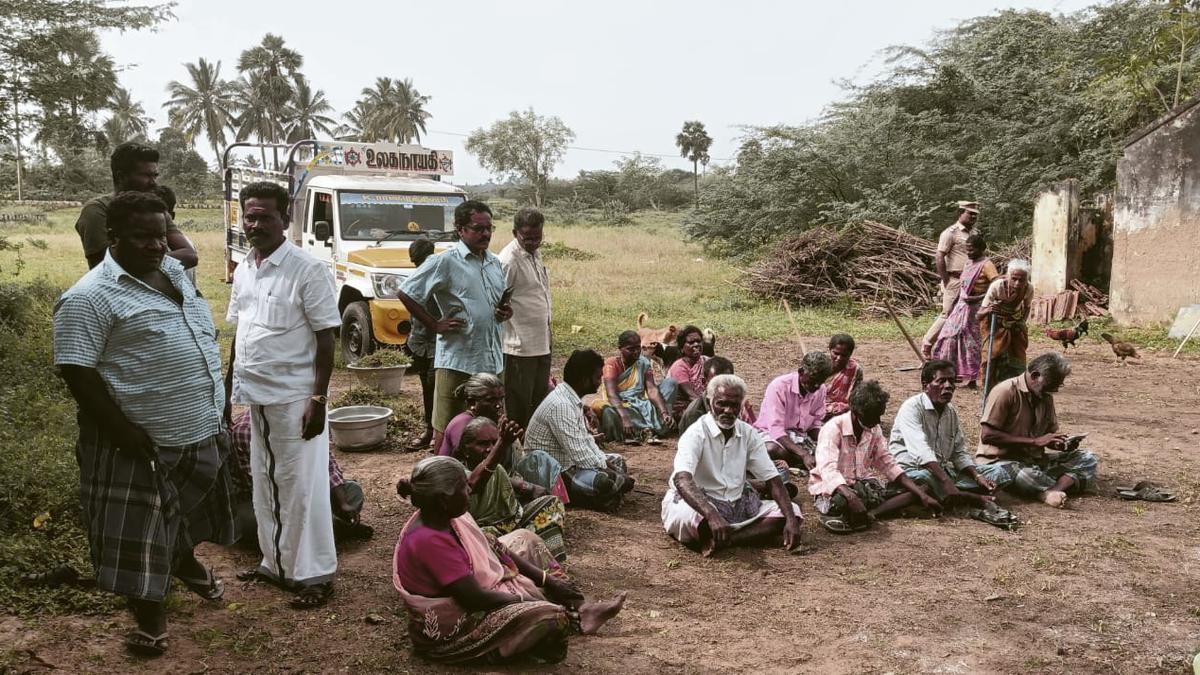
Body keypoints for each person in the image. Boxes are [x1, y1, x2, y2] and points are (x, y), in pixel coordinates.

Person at [53, 191, 236, 656]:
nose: (156, 245)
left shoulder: (173, 271)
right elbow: (77, 372)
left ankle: (187, 564)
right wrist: (122, 433)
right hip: (139, 440)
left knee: (185, 517)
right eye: (142, 236)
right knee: (140, 533)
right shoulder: (88, 298)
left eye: (161, 234)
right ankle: (152, 619)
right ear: (112, 237)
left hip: (200, 424)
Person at [223, 181, 342, 609]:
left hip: (296, 398)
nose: (255, 225)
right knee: (265, 481)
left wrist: (319, 400)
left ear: (285, 218)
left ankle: (314, 575)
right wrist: (227, 388)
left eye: (265, 217)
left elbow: (326, 339)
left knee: (301, 486)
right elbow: (243, 332)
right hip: (256, 394)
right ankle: (275, 564)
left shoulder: (307, 269)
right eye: (249, 216)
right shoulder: (244, 268)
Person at [393, 456, 626, 664]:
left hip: (478, 588)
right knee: (551, 617)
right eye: (463, 488)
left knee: (526, 539)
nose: (470, 491)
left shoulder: (447, 516)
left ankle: (582, 609)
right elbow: (475, 599)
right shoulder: (429, 540)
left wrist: (546, 579)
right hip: (457, 624)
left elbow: (494, 545)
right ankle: (518, 641)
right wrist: (523, 596)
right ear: (444, 499)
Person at [397, 200, 512, 442]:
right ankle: (442, 474)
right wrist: (433, 324)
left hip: (491, 359)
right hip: (458, 361)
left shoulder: (493, 263)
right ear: (460, 229)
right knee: (448, 426)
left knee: (489, 427)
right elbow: (406, 292)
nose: (486, 233)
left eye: (489, 228)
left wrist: (504, 312)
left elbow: (494, 303)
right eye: (478, 228)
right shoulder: (446, 261)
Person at [662, 374, 803, 557]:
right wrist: (712, 515)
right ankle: (729, 532)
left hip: (737, 503)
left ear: (741, 405)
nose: (728, 411)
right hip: (701, 503)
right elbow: (682, 480)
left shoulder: (748, 433)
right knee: (689, 517)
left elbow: (772, 479)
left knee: (793, 513)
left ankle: (727, 539)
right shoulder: (696, 433)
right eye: (722, 404)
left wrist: (791, 521)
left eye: (734, 405)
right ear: (709, 402)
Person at [889, 360, 1016, 521]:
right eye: (941, 381)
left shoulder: (950, 412)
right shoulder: (911, 408)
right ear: (925, 385)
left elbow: (959, 452)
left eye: (951, 381)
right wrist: (945, 480)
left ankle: (950, 494)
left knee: (999, 473)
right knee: (926, 482)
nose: (948, 386)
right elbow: (921, 452)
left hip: (942, 472)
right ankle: (969, 497)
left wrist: (977, 476)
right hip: (915, 470)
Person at [808, 380, 941, 533]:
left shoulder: (873, 428)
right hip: (837, 488)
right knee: (843, 502)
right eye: (873, 416)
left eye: (879, 416)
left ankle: (871, 514)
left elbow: (887, 462)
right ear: (857, 412)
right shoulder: (832, 429)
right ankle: (872, 512)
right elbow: (828, 470)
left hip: (863, 485)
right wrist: (851, 498)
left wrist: (920, 494)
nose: (878, 421)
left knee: (921, 487)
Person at [228, 409, 371, 544]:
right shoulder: (246, 431)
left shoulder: (307, 417)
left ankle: (322, 530)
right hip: (260, 501)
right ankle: (329, 529)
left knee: (353, 492)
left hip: (303, 490)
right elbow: (263, 489)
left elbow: (327, 462)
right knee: (250, 524)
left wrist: (342, 503)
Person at [978, 353, 1099, 508]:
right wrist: (1034, 441)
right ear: (1035, 376)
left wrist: (1060, 444)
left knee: (1088, 458)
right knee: (1022, 474)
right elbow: (988, 435)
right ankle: (1066, 483)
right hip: (1000, 462)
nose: (1055, 389)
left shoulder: (1045, 396)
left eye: (1059, 384)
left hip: (1033, 461)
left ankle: (1049, 491)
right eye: (1053, 383)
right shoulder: (1005, 391)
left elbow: (1047, 437)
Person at [526, 350, 636, 511]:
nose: (600, 382)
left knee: (618, 462)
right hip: (557, 472)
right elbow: (579, 454)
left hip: (571, 463)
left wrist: (612, 467)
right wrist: (612, 472)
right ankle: (593, 497)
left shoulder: (570, 399)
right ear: (585, 380)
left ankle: (603, 493)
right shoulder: (561, 405)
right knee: (605, 480)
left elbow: (585, 441)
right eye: (598, 377)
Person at [446, 417, 567, 560]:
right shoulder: (456, 471)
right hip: (478, 532)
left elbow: (507, 488)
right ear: (466, 450)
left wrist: (527, 487)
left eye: (494, 443)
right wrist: (501, 444)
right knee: (489, 538)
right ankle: (523, 561)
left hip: (509, 523)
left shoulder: (496, 468)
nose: (490, 449)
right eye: (482, 444)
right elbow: (474, 484)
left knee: (550, 504)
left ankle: (552, 562)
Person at [75, 142, 197, 270]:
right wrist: (161, 262)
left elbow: (189, 255)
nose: (153, 183)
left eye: (155, 176)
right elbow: (104, 265)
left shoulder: (153, 208)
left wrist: (149, 261)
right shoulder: (96, 210)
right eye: (146, 176)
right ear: (121, 176)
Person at [498, 207, 553, 428]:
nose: (532, 242)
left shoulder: (534, 254)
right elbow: (499, 301)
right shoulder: (508, 260)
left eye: (537, 238)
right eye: (527, 238)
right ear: (515, 233)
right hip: (519, 347)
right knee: (518, 405)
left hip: (541, 341)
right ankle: (516, 452)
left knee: (538, 400)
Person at [932, 234, 999, 388]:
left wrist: (983, 298)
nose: (968, 252)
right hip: (962, 307)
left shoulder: (987, 265)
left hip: (977, 309)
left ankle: (973, 379)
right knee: (948, 336)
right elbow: (964, 285)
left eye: (972, 249)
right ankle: (949, 373)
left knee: (972, 344)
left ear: (981, 249)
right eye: (967, 249)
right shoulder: (968, 263)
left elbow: (996, 284)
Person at [753, 351, 833, 470]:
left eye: (821, 381)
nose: (816, 386)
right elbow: (776, 431)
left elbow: (815, 424)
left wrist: (825, 441)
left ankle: (800, 459)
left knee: (831, 446)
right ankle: (801, 459)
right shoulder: (779, 387)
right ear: (801, 372)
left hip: (800, 436)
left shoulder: (820, 389)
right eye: (813, 379)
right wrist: (804, 454)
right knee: (772, 450)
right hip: (773, 435)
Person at [590, 331, 674, 444]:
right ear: (620, 348)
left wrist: (664, 412)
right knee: (608, 411)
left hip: (642, 403)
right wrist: (624, 417)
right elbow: (611, 394)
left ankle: (659, 422)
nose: (636, 352)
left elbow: (652, 390)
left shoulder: (643, 362)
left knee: (670, 384)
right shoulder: (611, 364)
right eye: (631, 349)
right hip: (621, 405)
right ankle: (649, 428)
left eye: (638, 348)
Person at [922, 200, 980, 358]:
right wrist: (946, 280)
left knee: (966, 317)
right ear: (960, 213)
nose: (973, 217)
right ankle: (927, 343)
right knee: (947, 314)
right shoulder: (951, 233)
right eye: (970, 214)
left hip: (972, 280)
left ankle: (954, 351)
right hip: (954, 279)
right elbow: (940, 256)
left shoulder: (975, 233)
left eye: (975, 215)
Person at [403, 237, 440, 450]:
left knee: (436, 387)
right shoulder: (415, 279)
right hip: (420, 343)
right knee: (427, 387)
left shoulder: (439, 279)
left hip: (438, 343)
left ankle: (438, 434)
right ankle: (429, 430)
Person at [978, 258, 1034, 389]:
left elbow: (1027, 307)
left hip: (1014, 322)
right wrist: (989, 309)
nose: (1017, 283)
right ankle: (989, 388)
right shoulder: (997, 286)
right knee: (991, 356)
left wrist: (1021, 323)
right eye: (1014, 278)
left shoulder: (1028, 288)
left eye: (1022, 280)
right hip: (993, 323)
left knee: (1017, 355)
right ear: (1008, 276)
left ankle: (1014, 387)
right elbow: (979, 314)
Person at [676, 356, 757, 434]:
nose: (723, 388)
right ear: (704, 382)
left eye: (727, 382)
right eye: (716, 383)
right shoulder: (694, 414)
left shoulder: (740, 404)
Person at [436, 373, 507, 457]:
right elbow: (472, 462)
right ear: (472, 402)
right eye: (491, 400)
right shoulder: (462, 424)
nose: (499, 405)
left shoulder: (490, 422)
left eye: (501, 399)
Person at [660, 325, 708, 418]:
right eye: (691, 342)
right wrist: (711, 409)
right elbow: (691, 395)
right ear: (682, 348)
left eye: (698, 341)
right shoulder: (679, 367)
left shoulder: (706, 361)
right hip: (682, 409)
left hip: (700, 403)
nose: (696, 345)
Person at [824, 333, 863, 419]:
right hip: (820, 408)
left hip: (843, 411)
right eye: (836, 353)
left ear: (850, 354)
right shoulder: (821, 366)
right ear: (830, 350)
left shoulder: (855, 369)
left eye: (844, 355)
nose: (839, 358)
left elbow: (855, 396)